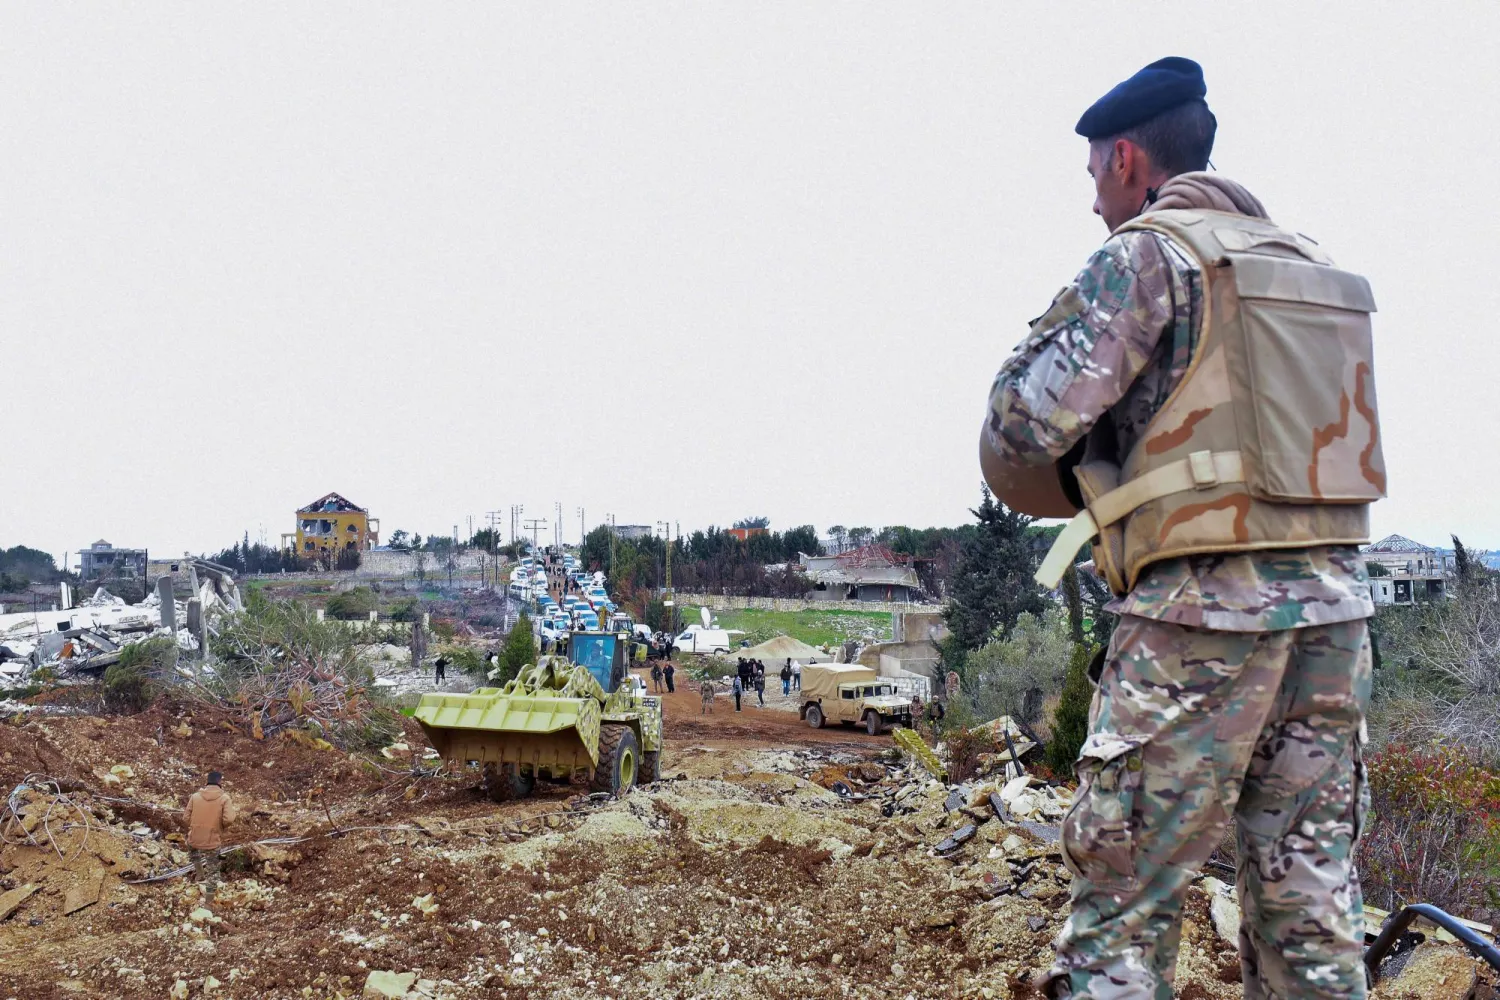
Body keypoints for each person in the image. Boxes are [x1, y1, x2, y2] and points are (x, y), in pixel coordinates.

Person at [981, 58, 1381, 1000]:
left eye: (1092, 178)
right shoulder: (1308, 262)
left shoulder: (1147, 256)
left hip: (1201, 620)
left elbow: (1023, 424)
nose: (1092, 204)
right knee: (1312, 907)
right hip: (1333, 623)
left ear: (1127, 159)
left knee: (1124, 902)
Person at [183, 771, 237, 902]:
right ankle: (208, 902)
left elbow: (185, 818)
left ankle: (199, 874)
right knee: (213, 871)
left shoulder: (195, 797)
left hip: (194, 839)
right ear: (220, 782)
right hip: (212, 842)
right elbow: (229, 819)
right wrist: (221, 827)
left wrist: (196, 826)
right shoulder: (224, 798)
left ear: (207, 782)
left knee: (192, 848)